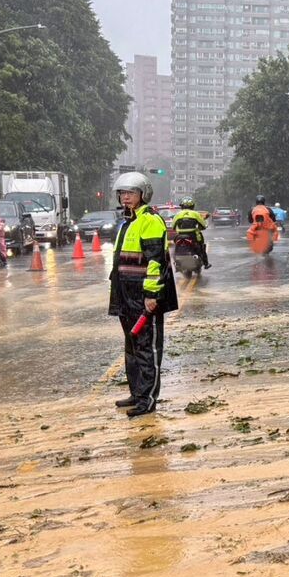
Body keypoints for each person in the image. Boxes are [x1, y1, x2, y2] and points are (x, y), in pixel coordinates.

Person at [108, 172, 178, 418]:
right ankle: (136, 393)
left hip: (143, 295)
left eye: (130, 193)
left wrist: (151, 295)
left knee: (148, 348)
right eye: (122, 194)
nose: (125, 198)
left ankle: (147, 399)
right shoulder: (128, 221)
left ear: (142, 195)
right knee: (132, 347)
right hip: (125, 294)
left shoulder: (150, 219)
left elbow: (155, 261)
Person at [171, 197, 210, 268]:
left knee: (175, 245)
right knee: (201, 246)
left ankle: (176, 261)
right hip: (193, 235)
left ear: (182, 206)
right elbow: (203, 225)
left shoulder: (178, 214)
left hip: (180, 236)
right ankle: (206, 263)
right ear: (192, 206)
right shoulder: (195, 214)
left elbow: (173, 226)